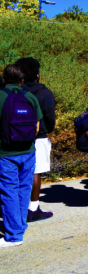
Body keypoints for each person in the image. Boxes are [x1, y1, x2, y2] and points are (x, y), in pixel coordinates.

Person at [0, 64, 43, 247]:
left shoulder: (1, 96)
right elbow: (37, 127)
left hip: (5, 152)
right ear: (22, 79)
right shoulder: (30, 96)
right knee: (24, 189)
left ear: (4, 78)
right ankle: (20, 226)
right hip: (28, 151)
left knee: (8, 190)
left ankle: (14, 235)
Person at [16, 57, 56, 222]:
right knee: (35, 171)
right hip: (38, 137)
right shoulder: (45, 93)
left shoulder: (15, 91)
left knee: (17, 172)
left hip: (15, 136)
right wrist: (46, 130)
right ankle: (33, 208)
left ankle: (17, 206)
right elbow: (50, 118)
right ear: (37, 75)